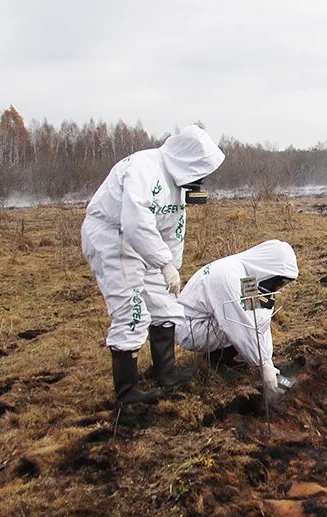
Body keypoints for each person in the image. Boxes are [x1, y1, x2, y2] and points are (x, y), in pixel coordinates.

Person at [82, 125, 225, 407]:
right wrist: (163, 262)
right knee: (132, 310)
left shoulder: (176, 185)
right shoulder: (143, 170)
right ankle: (127, 393)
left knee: (166, 302)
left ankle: (166, 372)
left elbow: (173, 230)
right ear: (188, 160)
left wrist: (172, 267)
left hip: (146, 243)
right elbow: (135, 223)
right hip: (114, 238)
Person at [175, 240, 298, 401]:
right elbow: (241, 326)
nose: (279, 286)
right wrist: (263, 366)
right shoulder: (228, 277)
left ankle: (222, 359)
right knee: (238, 326)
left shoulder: (246, 275)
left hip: (204, 321)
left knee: (250, 318)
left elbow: (257, 320)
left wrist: (268, 362)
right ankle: (215, 360)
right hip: (190, 329)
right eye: (279, 281)